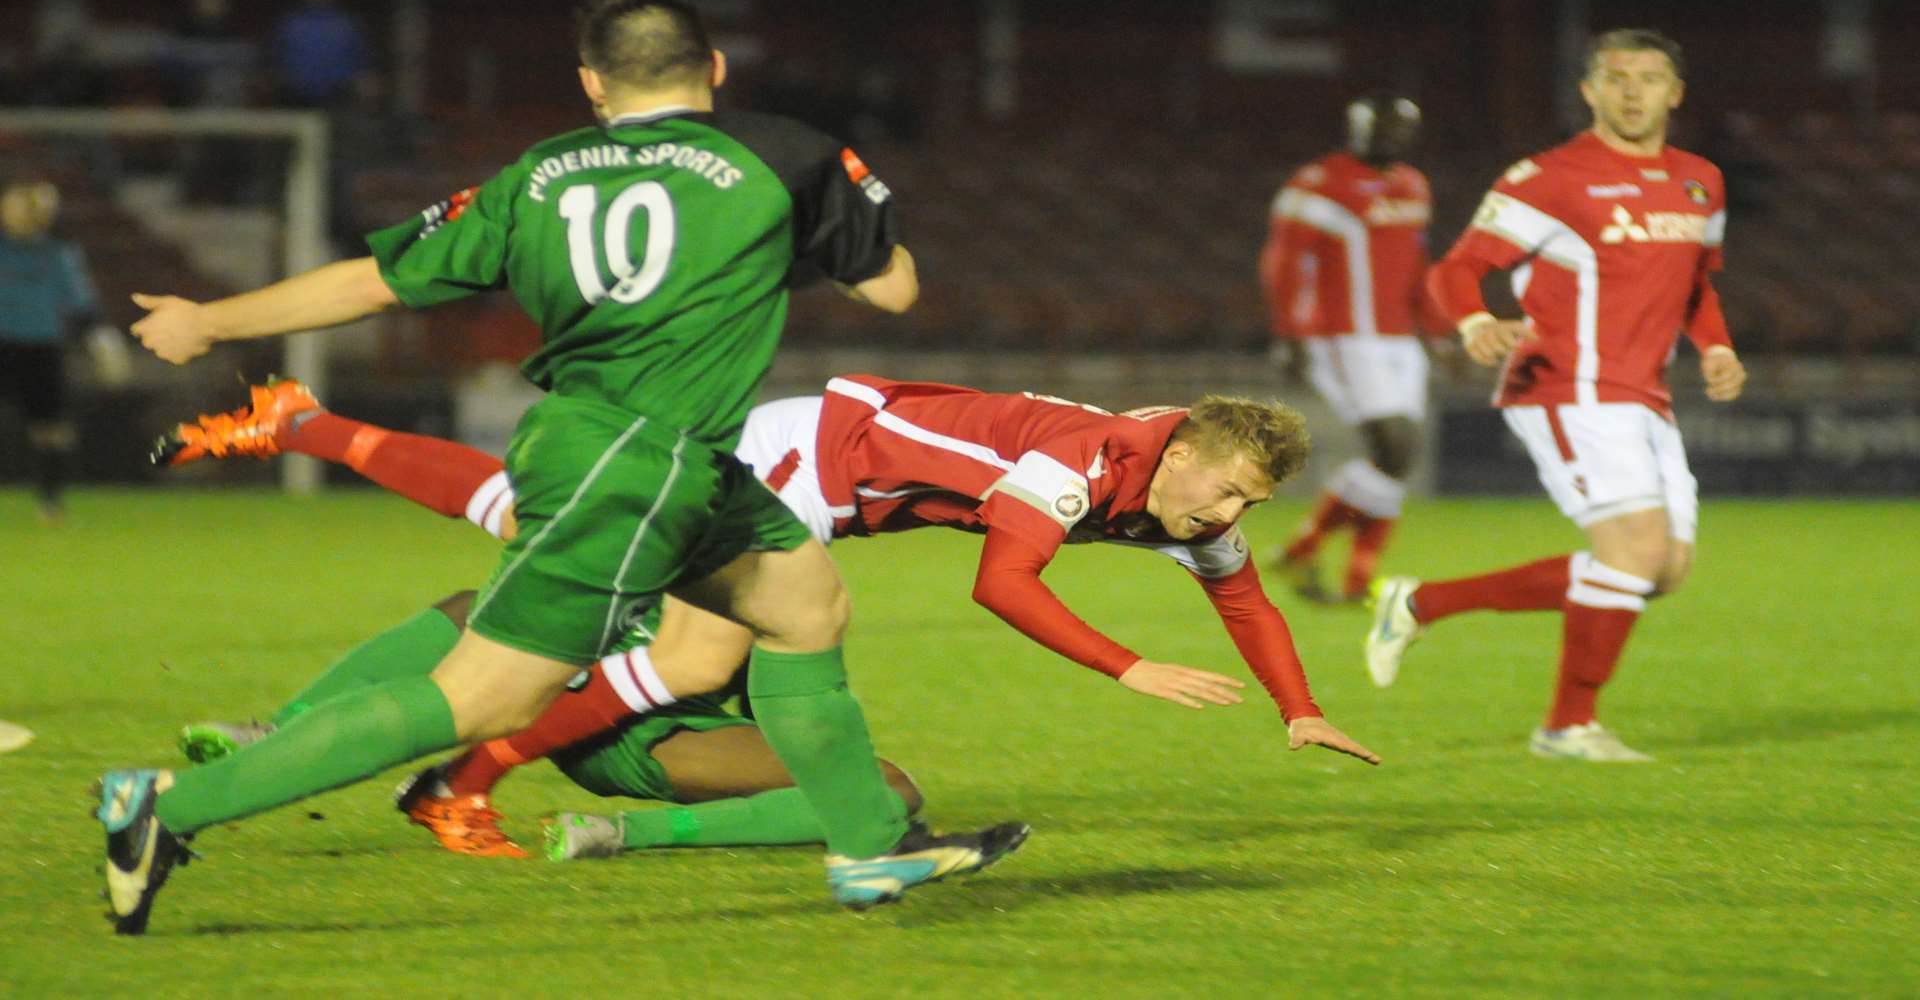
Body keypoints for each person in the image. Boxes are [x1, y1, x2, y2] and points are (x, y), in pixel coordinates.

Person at [97, 0, 1023, 935]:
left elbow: (378, 283)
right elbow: (894, 290)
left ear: (592, 84)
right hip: (640, 460)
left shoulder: (538, 173)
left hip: (638, 451)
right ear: (713, 68)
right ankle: (163, 810)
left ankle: (871, 846)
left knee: (802, 602)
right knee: (485, 699)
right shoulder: (786, 154)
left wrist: (209, 320)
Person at [164, 373, 1381, 855]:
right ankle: (459, 779)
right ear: (1185, 456)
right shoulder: (1086, 461)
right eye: (1227, 488)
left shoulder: (1183, 501)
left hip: (832, 487)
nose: (1232, 513)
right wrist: (1128, 669)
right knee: (691, 649)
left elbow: (1250, 599)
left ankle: (301, 424)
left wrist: (1301, 706)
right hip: (804, 457)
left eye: (1250, 501)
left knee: (520, 523)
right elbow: (1002, 583)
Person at [1363, 29, 1747, 761]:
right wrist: (1475, 322)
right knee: (1634, 553)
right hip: (1567, 385)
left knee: (1661, 571)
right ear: (1589, 91)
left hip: (1644, 395)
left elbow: (1696, 282)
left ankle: (1419, 603)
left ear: (1676, 92)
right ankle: (1568, 727)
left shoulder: (1701, 180)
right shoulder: (1551, 177)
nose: (1632, 89)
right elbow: (1457, 268)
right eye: (1616, 76)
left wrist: (1719, 346)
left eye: (1649, 77)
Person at [181, 591, 928, 860]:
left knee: (889, 787)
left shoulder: (741, 556)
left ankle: (616, 834)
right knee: (886, 790)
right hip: (590, 718)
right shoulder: (721, 544)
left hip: (622, 727)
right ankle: (277, 732)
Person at [1259, 94, 1450, 604]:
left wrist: (1434, 330)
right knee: (1396, 446)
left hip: (1399, 339)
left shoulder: (1414, 185)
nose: (1388, 137)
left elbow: (1417, 263)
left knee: (1397, 456)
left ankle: (1323, 561)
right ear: (1354, 128)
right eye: (1376, 126)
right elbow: (1283, 262)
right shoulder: (1317, 183)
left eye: (1399, 128)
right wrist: (1288, 333)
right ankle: (1332, 561)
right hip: (1342, 335)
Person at [0, 175, 131, 523]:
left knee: (51, 429)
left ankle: (51, 502)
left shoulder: (58, 254)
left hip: (40, 348)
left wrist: (102, 340)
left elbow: (82, 303)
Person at [271, 0, 367, 108]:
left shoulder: (347, 25)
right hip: (295, 98)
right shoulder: (289, 25)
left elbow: (363, 62)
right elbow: (275, 60)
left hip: (339, 98)